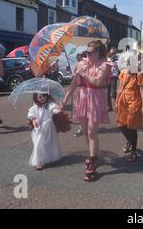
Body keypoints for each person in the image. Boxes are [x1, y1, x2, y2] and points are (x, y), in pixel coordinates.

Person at [61, 40, 110, 182]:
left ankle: (92, 161)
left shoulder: (104, 65)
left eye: (90, 52)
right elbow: (73, 84)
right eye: (86, 52)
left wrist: (84, 73)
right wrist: (64, 100)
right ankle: (92, 155)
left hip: (96, 97)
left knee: (91, 130)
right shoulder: (82, 63)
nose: (87, 54)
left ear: (99, 52)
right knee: (85, 131)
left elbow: (98, 82)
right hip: (82, 96)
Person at [115, 52, 143, 162]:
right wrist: (116, 102)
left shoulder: (138, 74)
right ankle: (129, 141)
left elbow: (142, 91)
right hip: (123, 102)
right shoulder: (123, 73)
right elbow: (119, 88)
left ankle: (134, 151)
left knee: (132, 127)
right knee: (121, 125)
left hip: (134, 102)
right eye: (127, 61)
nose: (128, 63)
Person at [27, 93, 62, 171]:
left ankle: (47, 158)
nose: (42, 98)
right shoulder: (35, 107)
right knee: (38, 144)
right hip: (38, 129)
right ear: (36, 98)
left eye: (44, 96)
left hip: (48, 127)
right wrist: (33, 120)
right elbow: (31, 115)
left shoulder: (49, 104)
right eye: (40, 97)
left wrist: (58, 110)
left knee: (47, 144)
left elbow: (54, 109)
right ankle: (39, 161)